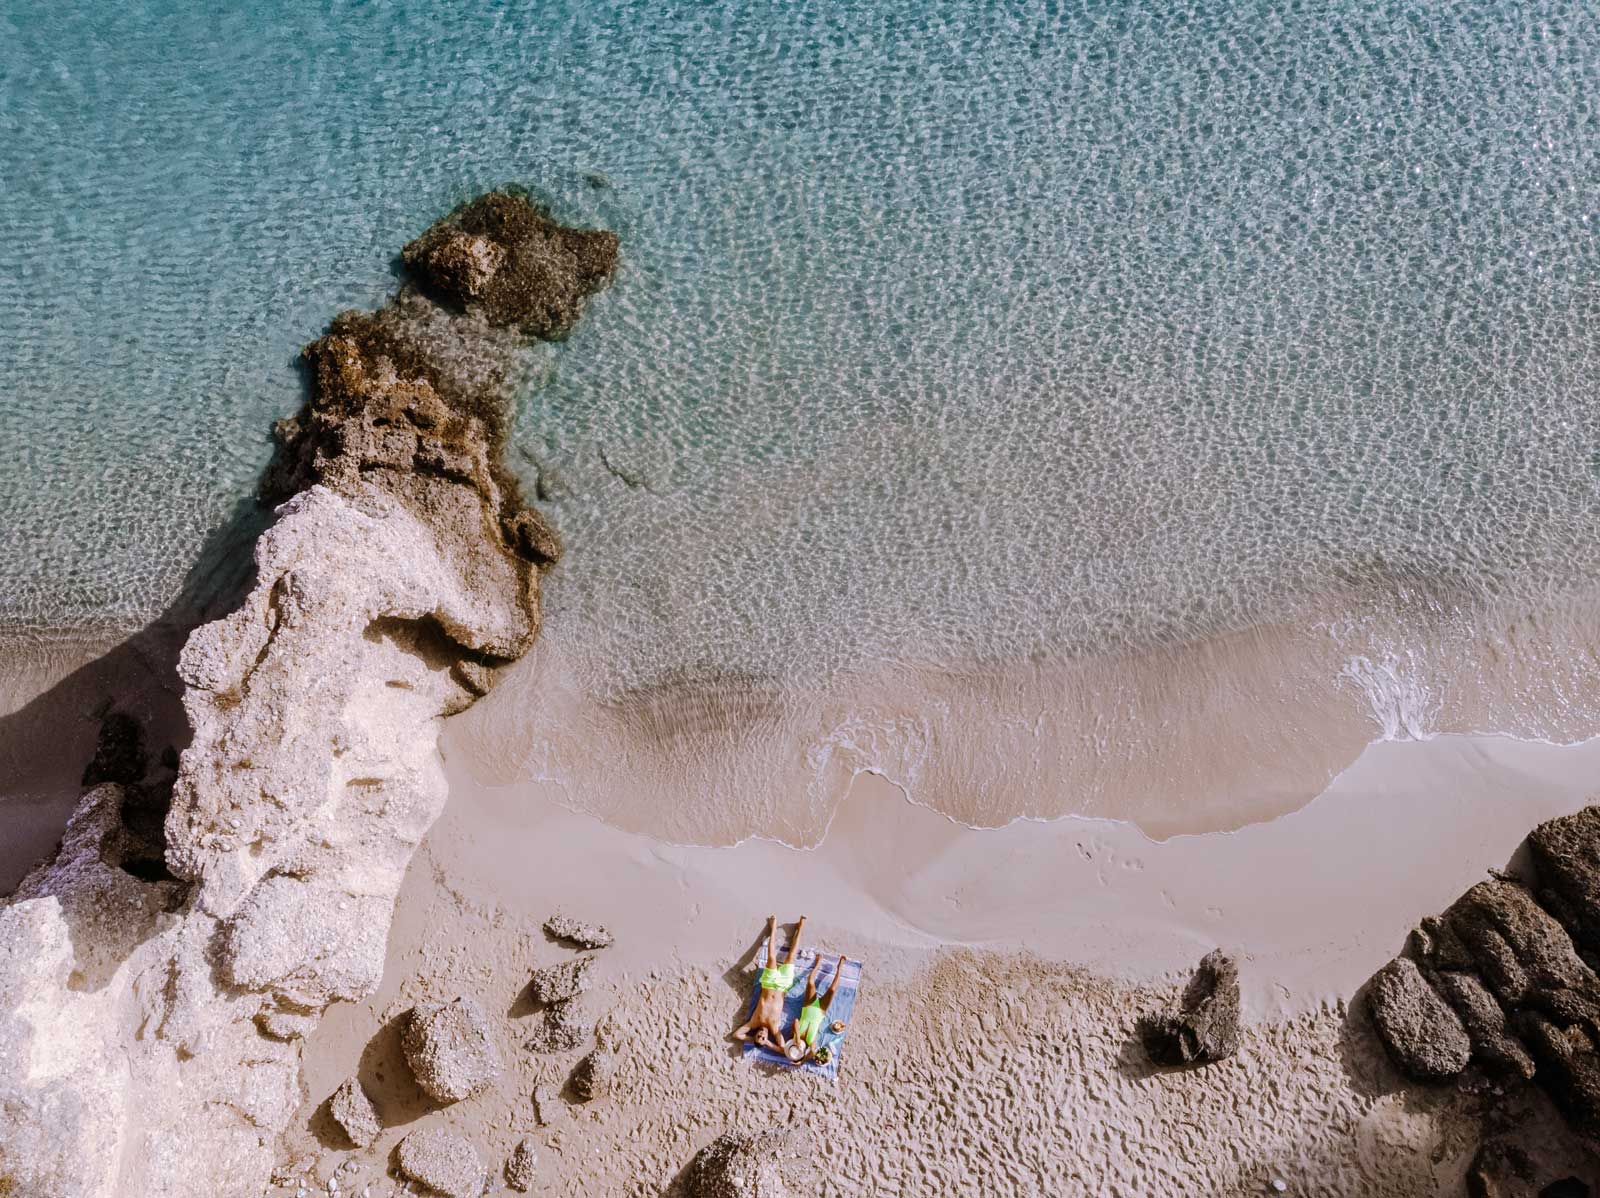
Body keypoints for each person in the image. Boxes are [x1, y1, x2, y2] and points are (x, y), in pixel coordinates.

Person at [732, 914, 807, 1054]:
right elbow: (783, 1049)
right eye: (763, 1037)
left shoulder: (754, 1022)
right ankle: (800, 927)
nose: (761, 1034)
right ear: (767, 1038)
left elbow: (736, 1035)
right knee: (791, 956)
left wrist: (752, 1039)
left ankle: (773, 928)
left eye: (758, 1036)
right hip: (782, 986)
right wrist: (767, 1044)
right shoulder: (774, 1029)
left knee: (771, 957)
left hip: (768, 983)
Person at [788, 951, 850, 1064]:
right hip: (821, 1010)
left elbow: (796, 1021)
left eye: (795, 1048)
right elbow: (812, 1052)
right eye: (799, 1050)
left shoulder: (793, 1034)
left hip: (807, 1005)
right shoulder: (811, 1042)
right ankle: (839, 968)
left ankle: (818, 963)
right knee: (832, 990)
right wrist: (802, 1061)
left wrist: (796, 1038)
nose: (798, 1047)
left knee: (810, 982)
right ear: (802, 1052)